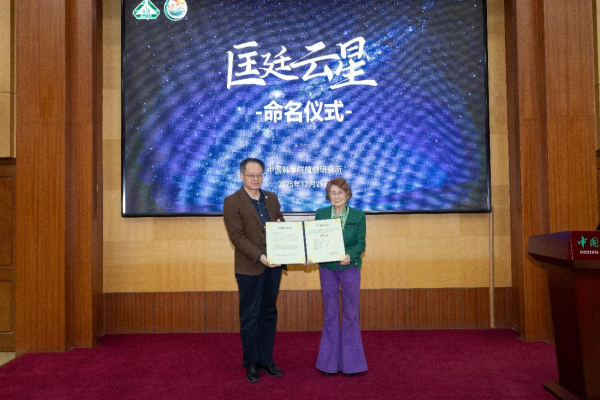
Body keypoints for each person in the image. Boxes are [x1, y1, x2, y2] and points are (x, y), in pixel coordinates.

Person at [223, 158, 285, 383]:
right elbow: (237, 236)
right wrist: (260, 256)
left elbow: (281, 224)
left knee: (268, 313)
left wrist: (283, 229)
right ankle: (251, 362)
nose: (256, 179)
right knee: (250, 316)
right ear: (241, 176)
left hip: (274, 266)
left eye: (259, 175)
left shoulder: (272, 197)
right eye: (251, 175)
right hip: (250, 267)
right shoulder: (232, 201)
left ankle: (266, 360)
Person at [315, 177, 367, 376]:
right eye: (333, 192)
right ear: (328, 195)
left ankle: (351, 364)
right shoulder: (321, 214)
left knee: (351, 314)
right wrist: (310, 255)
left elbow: (361, 244)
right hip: (327, 268)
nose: (336, 196)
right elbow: (315, 240)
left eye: (340, 192)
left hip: (350, 267)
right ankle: (329, 363)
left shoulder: (358, 215)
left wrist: (349, 255)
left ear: (347, 195)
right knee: (330, 313)